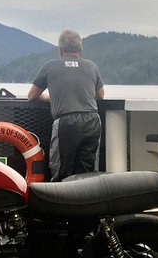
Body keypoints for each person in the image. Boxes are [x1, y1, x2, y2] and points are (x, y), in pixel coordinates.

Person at [28, 30, 105, 180]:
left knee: (61, 168)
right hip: (92, 120)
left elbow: (32, 96)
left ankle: (61, 200)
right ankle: (86, 200)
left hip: (66, 121)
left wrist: (49, 98)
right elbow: (100, 95)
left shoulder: (50, 66)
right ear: (80, 50)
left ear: (60, 50)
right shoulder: (91, 66)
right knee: (87, 171)